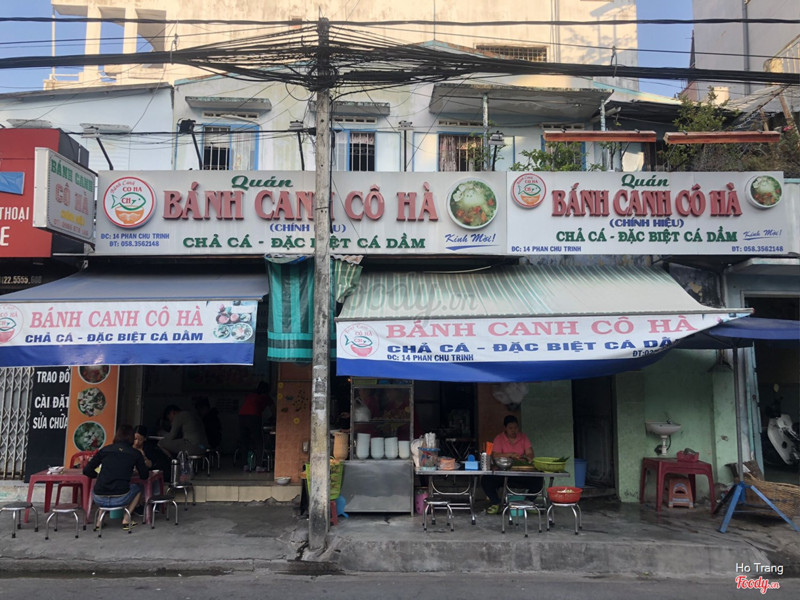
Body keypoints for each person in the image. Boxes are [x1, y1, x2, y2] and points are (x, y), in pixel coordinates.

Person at [83, 424, 149, 530]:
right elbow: (144, 476)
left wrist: (97, 475)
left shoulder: (105, 450)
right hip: (120, 499)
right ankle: (126, 520)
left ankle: (99, 522)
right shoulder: (135, 453)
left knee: (103, 486)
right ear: (131, 438)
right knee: (137, 488)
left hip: (99, 499)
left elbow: (86, 470)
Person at [481, 415, 542, 514]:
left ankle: (528, 502)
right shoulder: (499, 438)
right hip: (503, 473)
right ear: (505, 428)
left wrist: (528, 457)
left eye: (515, 428)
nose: (513, 430)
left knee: (538, 479)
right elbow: (495, 455)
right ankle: (496, 503)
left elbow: (530, 453)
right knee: (486, 480)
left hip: (520, 473)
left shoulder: (523, 437)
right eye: (510, 428)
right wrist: (510, 455)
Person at [237, 382, 271, 469]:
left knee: (244, 441)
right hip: (254, 416)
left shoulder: (250, 396)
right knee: (259, 441)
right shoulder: (265, 397)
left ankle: (245, 465)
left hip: (242, 417)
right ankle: (259, 466)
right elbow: (274, 410)